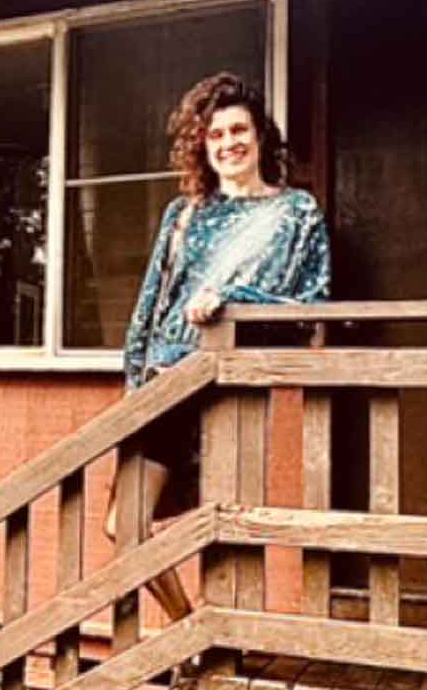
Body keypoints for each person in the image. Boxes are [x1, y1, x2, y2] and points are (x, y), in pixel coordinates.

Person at [114, 73, 331, 614]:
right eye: (215, 135)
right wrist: (132, 393)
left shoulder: (294, 212)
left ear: (260, 138)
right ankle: (192, 640)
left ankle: (212, 658)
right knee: (124, 526)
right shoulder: (183, 214)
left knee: (226, 529)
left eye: (239, 130)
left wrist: (233, 298)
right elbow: (148, 309)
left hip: (230, 392)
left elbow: (312, 308)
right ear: (202, 146)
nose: (228, 143)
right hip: (166, 387)